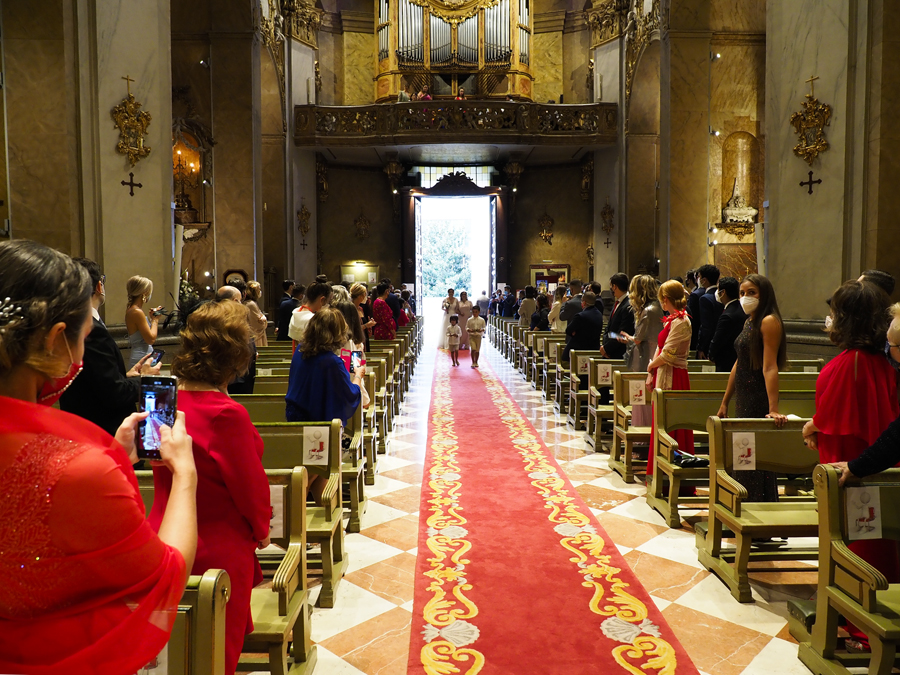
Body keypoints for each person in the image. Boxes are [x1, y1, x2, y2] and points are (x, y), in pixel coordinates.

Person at [0, 239, 197, 674]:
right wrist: (184, 474)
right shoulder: (73, 469)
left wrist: (114, 457)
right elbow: (163, 579)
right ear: (55, 341)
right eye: (84, 338)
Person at [149, 300, 270, 675]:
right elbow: (249, 489)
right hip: (215, 545)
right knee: (215, 654)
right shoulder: (226, 414)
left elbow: (154, 464)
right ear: (236, 354)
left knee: (172, 654)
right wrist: (262, 532)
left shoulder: (164, 401)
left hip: (164, 536)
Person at [803, 281, 898, 650]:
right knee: (879, 538)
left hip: (851, 465)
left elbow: (839, 418)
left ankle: (859, 614)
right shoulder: (882, 360)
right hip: (877, 462)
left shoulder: (852, 362)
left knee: (857, 538)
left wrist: (814, 425)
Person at [60, 258, 161, 436]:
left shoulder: (71, 323)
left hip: (80, 423)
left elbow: (95, 378)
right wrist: (145, 380)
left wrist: (124, 376)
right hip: (103, 430)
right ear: (99, 286)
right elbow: (115, 394)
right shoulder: (90, 329)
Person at [715, 274, 788, 502]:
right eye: (742, 293)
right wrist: (726, 400)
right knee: (743, 455)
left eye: (752, 292)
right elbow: (740, 362)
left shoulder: (768, 321)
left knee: (752, 455)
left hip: (757, 395)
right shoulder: (750, 321)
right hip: (744, 396)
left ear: (764, 294)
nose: (746, 297)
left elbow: (769, 367)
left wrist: (773, 407)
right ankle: (742, 507)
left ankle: (756, 510)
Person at [286, 308, 365, 503]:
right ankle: (293, 518)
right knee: (310, 474)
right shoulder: (331, 362)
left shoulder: (301, 351)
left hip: (297, 416)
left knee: (319, 473)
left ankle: (326, 510)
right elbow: (349, 395)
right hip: (318, 425)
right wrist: (357, 376)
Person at [646, 280, 694, 474]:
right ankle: (658, 472)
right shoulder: (672, 319)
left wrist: (650, 366)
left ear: (665, 299)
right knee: (660, 423)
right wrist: (650, 373)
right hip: (663, 373)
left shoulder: (683, 322)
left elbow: (668, 355)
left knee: (671, 424)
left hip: (675, 377)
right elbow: (660, 347)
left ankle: (671, 475)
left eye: (662, 300)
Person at [618, 275, 662, 427]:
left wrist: (627, 338)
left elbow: (638, 339)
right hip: (651, 354)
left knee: (642, 399)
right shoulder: (657, 307)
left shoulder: (648, 311)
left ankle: (642, 436)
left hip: (646, 358)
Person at [708, 276, 746, 372]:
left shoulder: (727, 315)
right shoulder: (743, 310)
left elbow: (718, 340)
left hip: (726, 362)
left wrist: (711, 355)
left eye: (718, 289)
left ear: (723, 292)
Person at [125, 275, 162, 369]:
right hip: (142, 357)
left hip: (141, 355)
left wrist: (151, 318)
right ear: (144, 293)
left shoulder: (131, 310)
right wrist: (155, 320)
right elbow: (150, 339)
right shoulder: (137, 312)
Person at [601, 273, 635, 361]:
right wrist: (605, 345)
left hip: (619, 353)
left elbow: (622, 332)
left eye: (611, 286)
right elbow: (609, 328)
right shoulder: (618, 303)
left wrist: (606, 348)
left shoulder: (628, 305)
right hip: (610, 351)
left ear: (614, 286)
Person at [562, 291, 604, 361]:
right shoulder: (599, 314)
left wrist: (575, 332)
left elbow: (568, 330)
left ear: (584, 302)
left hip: (578, 351)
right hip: (594, 349)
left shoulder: (580, 316)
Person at [288, 280, 332, 345]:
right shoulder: (313, 320)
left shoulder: (296, 312)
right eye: (329, 301)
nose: (329, 305)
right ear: (322, 300)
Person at [695, 264, 723, 359]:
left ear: (704, 280)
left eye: (699, 277)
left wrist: (701, 347)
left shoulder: (705, 298)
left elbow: (706, 326)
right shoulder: (722, 295)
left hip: (708, 345)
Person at [244, 280, 269, 347]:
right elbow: (257, 324)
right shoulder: (251, 304)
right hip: (256, 336)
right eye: (259, 289)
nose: (260, 291)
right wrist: (264, 320)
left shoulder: (251, 303)